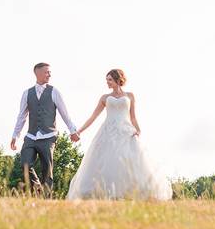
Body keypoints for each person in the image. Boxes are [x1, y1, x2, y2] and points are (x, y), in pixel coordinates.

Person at [66, 69, 172, 200]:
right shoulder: (104, 98)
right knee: (106, 161)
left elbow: (133, 117)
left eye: (109, 80)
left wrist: (138, 129)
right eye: (107, 80)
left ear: (118, 79)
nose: (107, 83)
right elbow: (93, 117)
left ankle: (128, 193)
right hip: (108, 132)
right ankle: (104, 192)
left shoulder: (130, 96)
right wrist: (79, 131)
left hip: (126, 131)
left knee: (127, 161)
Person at [10, 62, 80, 196]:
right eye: (47, 72)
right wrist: (15, 135)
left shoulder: (54, 92)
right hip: (31, 137)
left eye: (50, 72)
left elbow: (65, 113)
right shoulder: (27, 93)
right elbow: (22, 116)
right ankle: (37, 188)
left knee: (47, 170)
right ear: (37, 73)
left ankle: (47, 199)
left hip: (48, 137)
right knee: (25, 163)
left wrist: (73, 131)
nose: (49, 74)